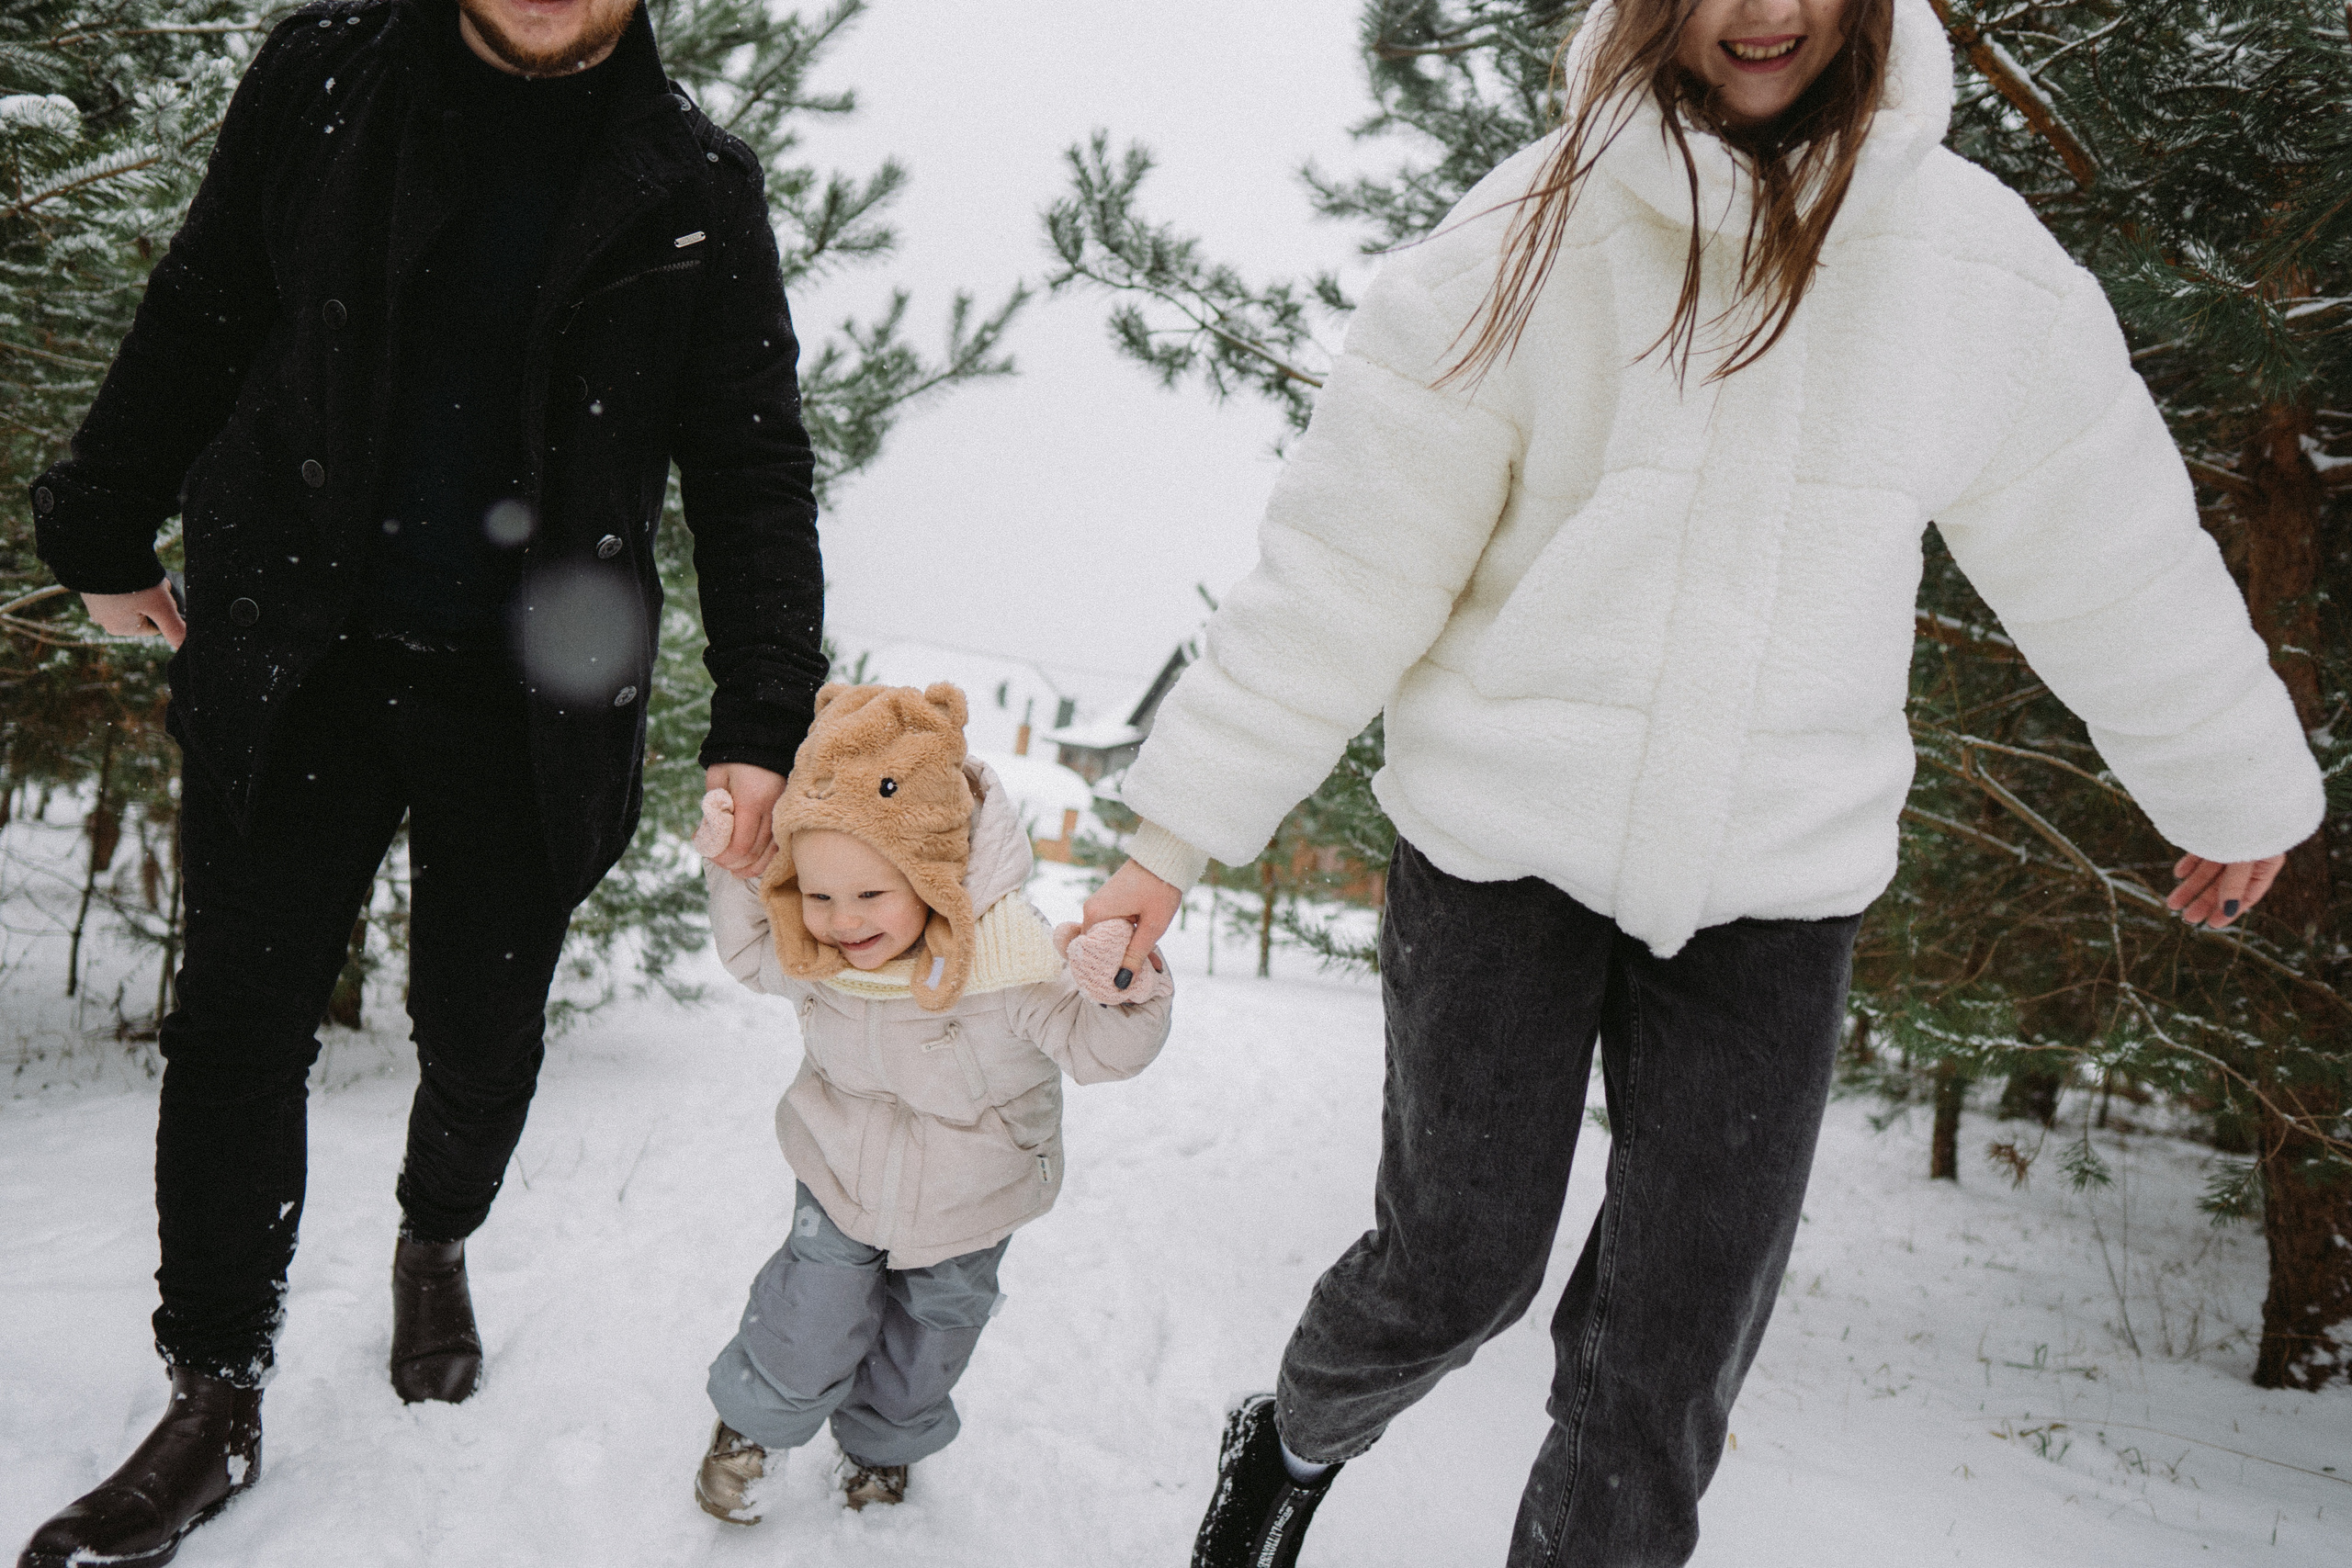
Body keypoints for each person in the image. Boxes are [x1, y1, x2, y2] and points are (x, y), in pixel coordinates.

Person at [1079, 1, 2326, 1564]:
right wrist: (1173, 837)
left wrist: (2227, 781)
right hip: (1497, 854)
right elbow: (1345, 567)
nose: (1763, 13)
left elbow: (2109, 541)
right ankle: (1293, 1439)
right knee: (1452, 1269)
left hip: (1776, 887)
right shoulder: (1527, 237)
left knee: (1666, 1361)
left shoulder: (1965, 263)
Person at [17, 0, 823, 1562]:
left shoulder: (693, 182)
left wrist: (760, 715)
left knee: (480, 1026)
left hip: (528, 703)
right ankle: (216, 1386)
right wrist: (103, 524)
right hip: (299, 649)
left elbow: (748, 459)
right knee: (238, 1021)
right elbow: (206, 304)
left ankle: (435, 1235)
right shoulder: (326, 74)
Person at [689, 682, 1172, 1520]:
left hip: (970, 1197)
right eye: (819, 893)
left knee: (930, 1339)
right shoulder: (821, 950)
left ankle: (881, 1450)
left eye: (872, 895)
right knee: (809, 1311)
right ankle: (752, 1425)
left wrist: (1122, 991)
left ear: (935, 873)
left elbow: (1098, 1049)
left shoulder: (1010, 958)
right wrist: (740, 867)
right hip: (840, 1176)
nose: (842, 922)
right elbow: (749, 950)